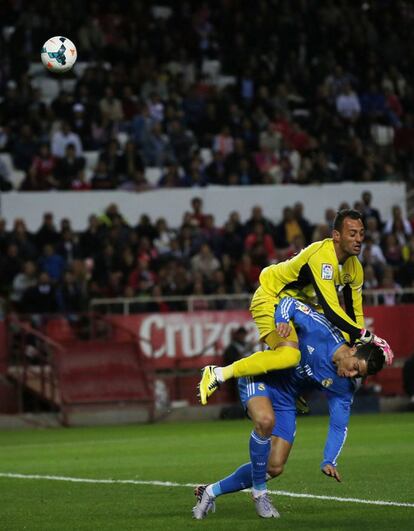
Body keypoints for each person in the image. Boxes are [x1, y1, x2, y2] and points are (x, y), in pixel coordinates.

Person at [193, 296, 390, 520]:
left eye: (358, 374)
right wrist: (282, 319)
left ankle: (209, 492)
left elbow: (339, 425)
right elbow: (289, 302)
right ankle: (259, 494)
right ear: (354, 351)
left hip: (286, 398)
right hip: (261, 376)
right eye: (355, 367)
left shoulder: (344, 386)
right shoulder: (323, 331)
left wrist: (329, 459)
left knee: (274, 467)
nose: (352, 374)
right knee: (265, 422)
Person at [198, 209, 393, 405]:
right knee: (289, 354)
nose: (358, 239)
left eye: (361, 233)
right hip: (272, 297)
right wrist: (370, 337)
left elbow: (354, 313)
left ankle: (290, 385)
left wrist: (362, 347)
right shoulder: (322, 257)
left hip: (302, 304)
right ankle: (219, 373)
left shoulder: (355, 269)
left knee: (338, 344)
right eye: (352, 234)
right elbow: (332, 310)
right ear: (336, 236)